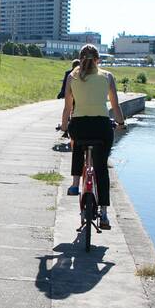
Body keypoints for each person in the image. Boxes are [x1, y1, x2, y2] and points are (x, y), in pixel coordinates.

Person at [60, 45, 126, 230]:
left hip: (80, 126)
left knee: (76, 145)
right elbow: (115, 105)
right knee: (101, 168)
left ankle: (74, 184)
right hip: (101, 127)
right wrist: (120, 124)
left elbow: (67, 107)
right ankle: (104, 214)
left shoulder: (72, 76)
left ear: (80, 59)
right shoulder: (107, 76)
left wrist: (65, 126)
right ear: (98, 60)